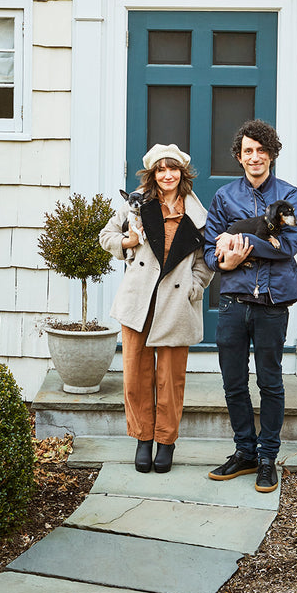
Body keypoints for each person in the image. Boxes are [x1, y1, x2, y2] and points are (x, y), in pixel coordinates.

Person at [204, 119, 297, 493]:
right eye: (248, 151)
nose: (255, 157)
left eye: (262, 150)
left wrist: (238, 240)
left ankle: (267, 458)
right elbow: (208, 249)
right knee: (233, 382)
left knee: (270, 382)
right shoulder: (224, 197)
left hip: (272, 303)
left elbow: (289, 247)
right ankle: (244, 452)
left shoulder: (290, 195)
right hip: (232, 302)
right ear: (239, 156)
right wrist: (223, 261)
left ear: (272, 155)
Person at [100, 144, 213, 474]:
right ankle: (143, 439)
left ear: (182, 173)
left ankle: (166, 441)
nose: (168, 175)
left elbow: (206, 260)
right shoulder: (135, 204)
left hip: (177, 303)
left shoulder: (196, 212)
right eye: (161, 170)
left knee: (170, 379)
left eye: (173, 169)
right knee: (136, 375)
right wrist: (127, 243)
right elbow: (106, 235)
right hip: (139, 300)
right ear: (153, 174)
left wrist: (195, 286)